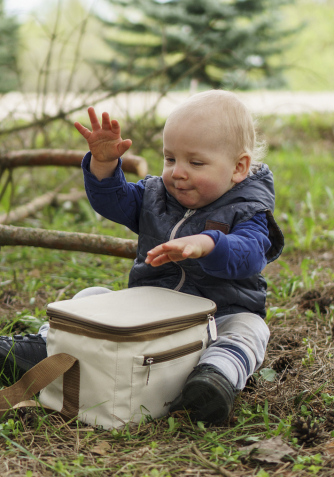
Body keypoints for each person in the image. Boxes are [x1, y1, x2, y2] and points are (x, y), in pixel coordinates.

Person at [0, 90, 283, 424]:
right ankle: (44, 347)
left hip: (218, 319)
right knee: (93, 298)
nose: (178, 172)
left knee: (250, 329)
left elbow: (249, 255)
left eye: (195, 163)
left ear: (239, 167)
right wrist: (104, 165)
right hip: (148, 315)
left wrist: (210, 243)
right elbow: (114, 201)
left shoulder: (249, 211)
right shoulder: (156, 196)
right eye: (170, 159)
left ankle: (213, 378)